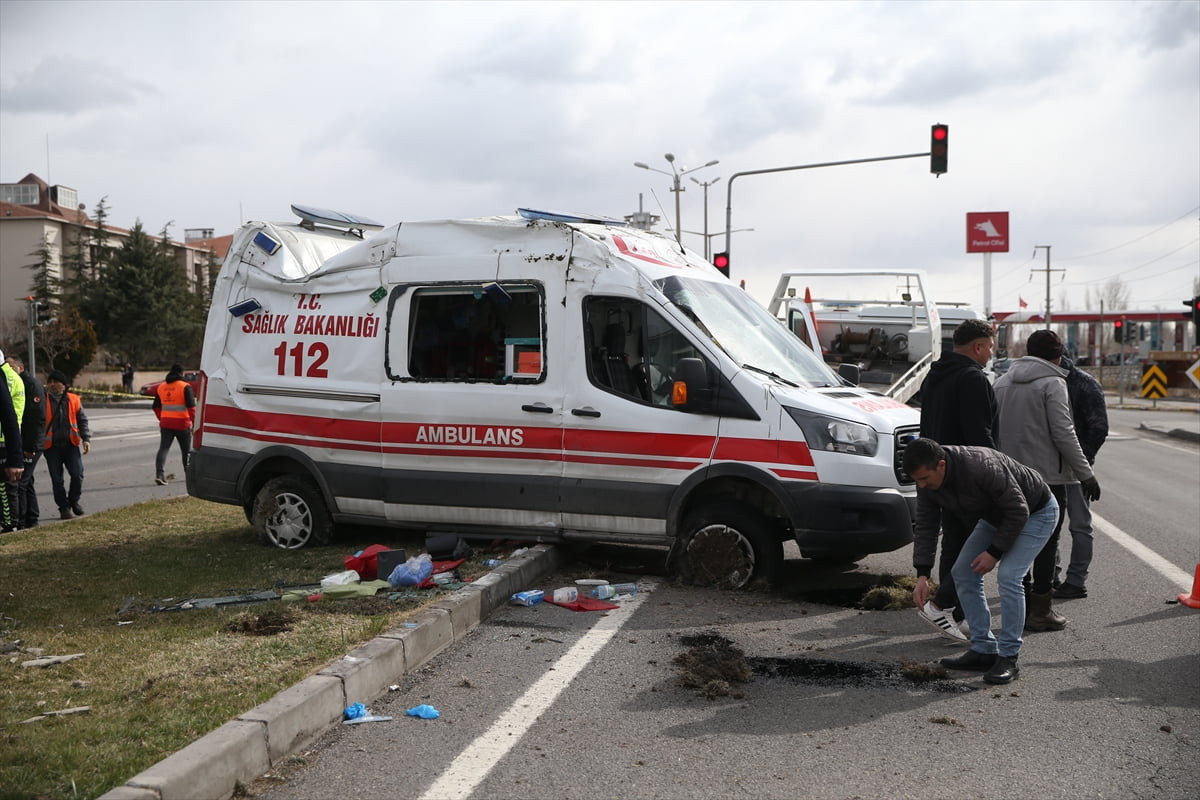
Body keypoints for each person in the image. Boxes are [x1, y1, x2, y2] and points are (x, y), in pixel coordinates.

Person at [906, 437, 1058, 684]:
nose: (921, 486)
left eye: (924, 478)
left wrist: (994, 552)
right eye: (917, 481)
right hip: (995, 515)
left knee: (1009, 576)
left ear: (941, 465)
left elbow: (1018, 510)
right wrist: (922, 574)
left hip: (1036, 512)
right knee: (963, 573)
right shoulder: (926, 483)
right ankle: (983, 649)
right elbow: (926, 525)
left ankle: (1008, 656)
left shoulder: (981, 465)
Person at [993, 330, 1101, 632]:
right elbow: (1064, 433)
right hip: (1047, 480)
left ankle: (1022, 606)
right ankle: (1040, 612)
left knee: (1016, 541)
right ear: (1058, 354)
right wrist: (1086, 474)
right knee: (1044, 543)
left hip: (1010, 477)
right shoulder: (1053, 383)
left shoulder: (1002, 382)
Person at [912, 318, 998, 642]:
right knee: (973, 547)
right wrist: (995, 471)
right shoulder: (973, 379)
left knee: (954, 542)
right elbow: (980, 435)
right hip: (969, 474)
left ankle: (952, 614)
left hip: (939, 473)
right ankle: (944, 606)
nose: (990, 354)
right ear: (977, 346)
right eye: (989, 347)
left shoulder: (934, 377)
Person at [1053, 355, 1109, 599]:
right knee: (1049, 525)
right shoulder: (1046, 379)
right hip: (1049, 467)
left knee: (1080, 525)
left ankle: (1076, 581)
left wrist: (1080, 462)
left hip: (1076, 470)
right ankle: (1050, 576)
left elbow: (1098, 427)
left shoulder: (1084, 383)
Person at [43, 370, 91, 520]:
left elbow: (82, 420)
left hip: (71, 444)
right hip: (51, 446)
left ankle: (74, 501)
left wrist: (86, 438)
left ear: (63, 384)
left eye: (56, 381)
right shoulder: (43, 400)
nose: (52, 384)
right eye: (50, 382)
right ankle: (64, 508)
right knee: (57, 480)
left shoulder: (74, 399)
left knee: (78, 474)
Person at [5, 355, 46, 530]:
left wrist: (30, 447)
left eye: (9, 366)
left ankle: (22, 521)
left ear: (20, 367)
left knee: (20, 483)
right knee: (27, 482)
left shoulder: (30, 385)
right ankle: (32, 518)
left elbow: (36, 419)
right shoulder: (18, 383)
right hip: (25, 443)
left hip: (31, 445)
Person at [153, 363, 196, 485]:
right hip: (182, 424)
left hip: (166, 423)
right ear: (182, 373)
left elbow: (155, 406)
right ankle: (189, 476)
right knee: (186, 451)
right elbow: (191, 408)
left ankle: (159, 474)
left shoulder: (161, 387)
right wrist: (195, 424)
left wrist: (162, 418)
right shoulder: (185, 386)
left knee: (163, 449)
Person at [0, 353, 26, 531]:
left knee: (7, 486)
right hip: (10, 436)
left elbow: (10, 414)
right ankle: (12, 522)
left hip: (5, 437)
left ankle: (11, 523)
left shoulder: (8, 378)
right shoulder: (16, 379)